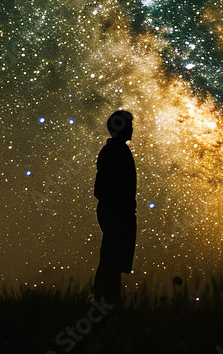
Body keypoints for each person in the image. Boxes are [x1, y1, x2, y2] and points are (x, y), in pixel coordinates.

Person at [93, 110, 136, 306]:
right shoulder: (115, 152)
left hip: (117, 213)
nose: (132, 129)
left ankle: (107, 305)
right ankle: (105, 305)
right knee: (111, 260)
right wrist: (119, 210)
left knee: (113, 260)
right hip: (116, 215)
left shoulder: (115, 151)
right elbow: (102, 189)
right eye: (128, 125)